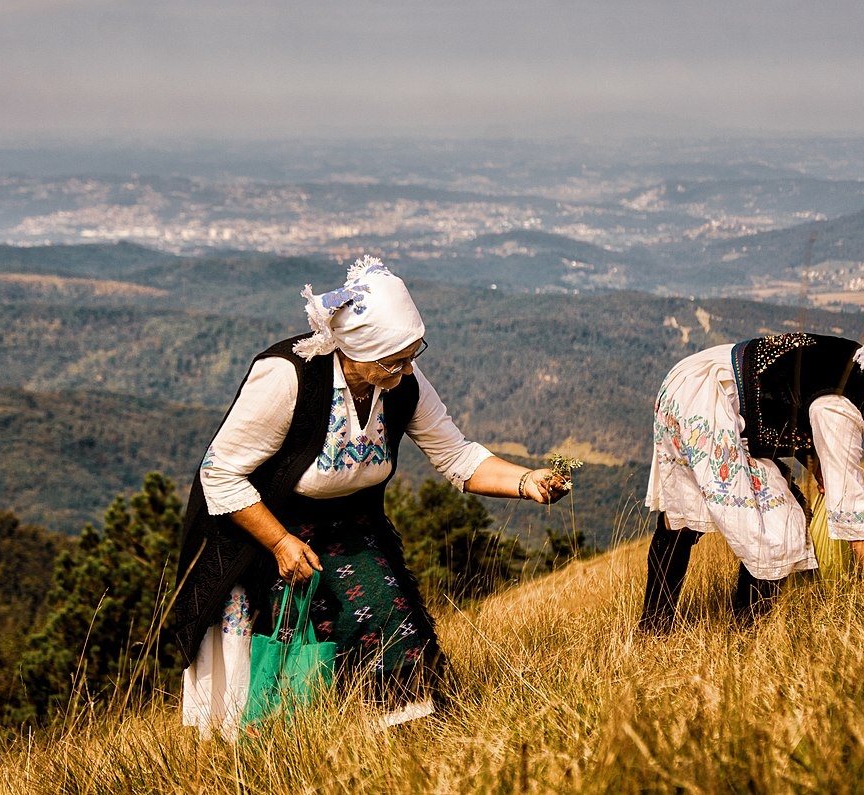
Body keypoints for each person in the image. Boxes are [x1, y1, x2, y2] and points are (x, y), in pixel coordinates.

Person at [173, 255, 570, 738]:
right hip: (263, 531)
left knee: (391, 621)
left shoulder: (402, 382)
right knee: (281, 656)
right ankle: (276, 749)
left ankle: (397, 738)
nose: (407, 369)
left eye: (412, 355)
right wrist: (279, 543)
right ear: (355, 350)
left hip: (349, 530)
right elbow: (219, 472)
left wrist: (527, 482)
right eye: (393, 361)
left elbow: (457, 455)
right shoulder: (288, 377)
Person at [639, 331, 864, 632]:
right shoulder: (838, 407)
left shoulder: (860, 363)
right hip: (711, 399)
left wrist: (815, 463)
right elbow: (852, 516)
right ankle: (745, 633)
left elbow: (792, 397)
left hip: (692, 379)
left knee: (682, 518)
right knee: (781, 526)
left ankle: (654, 626)